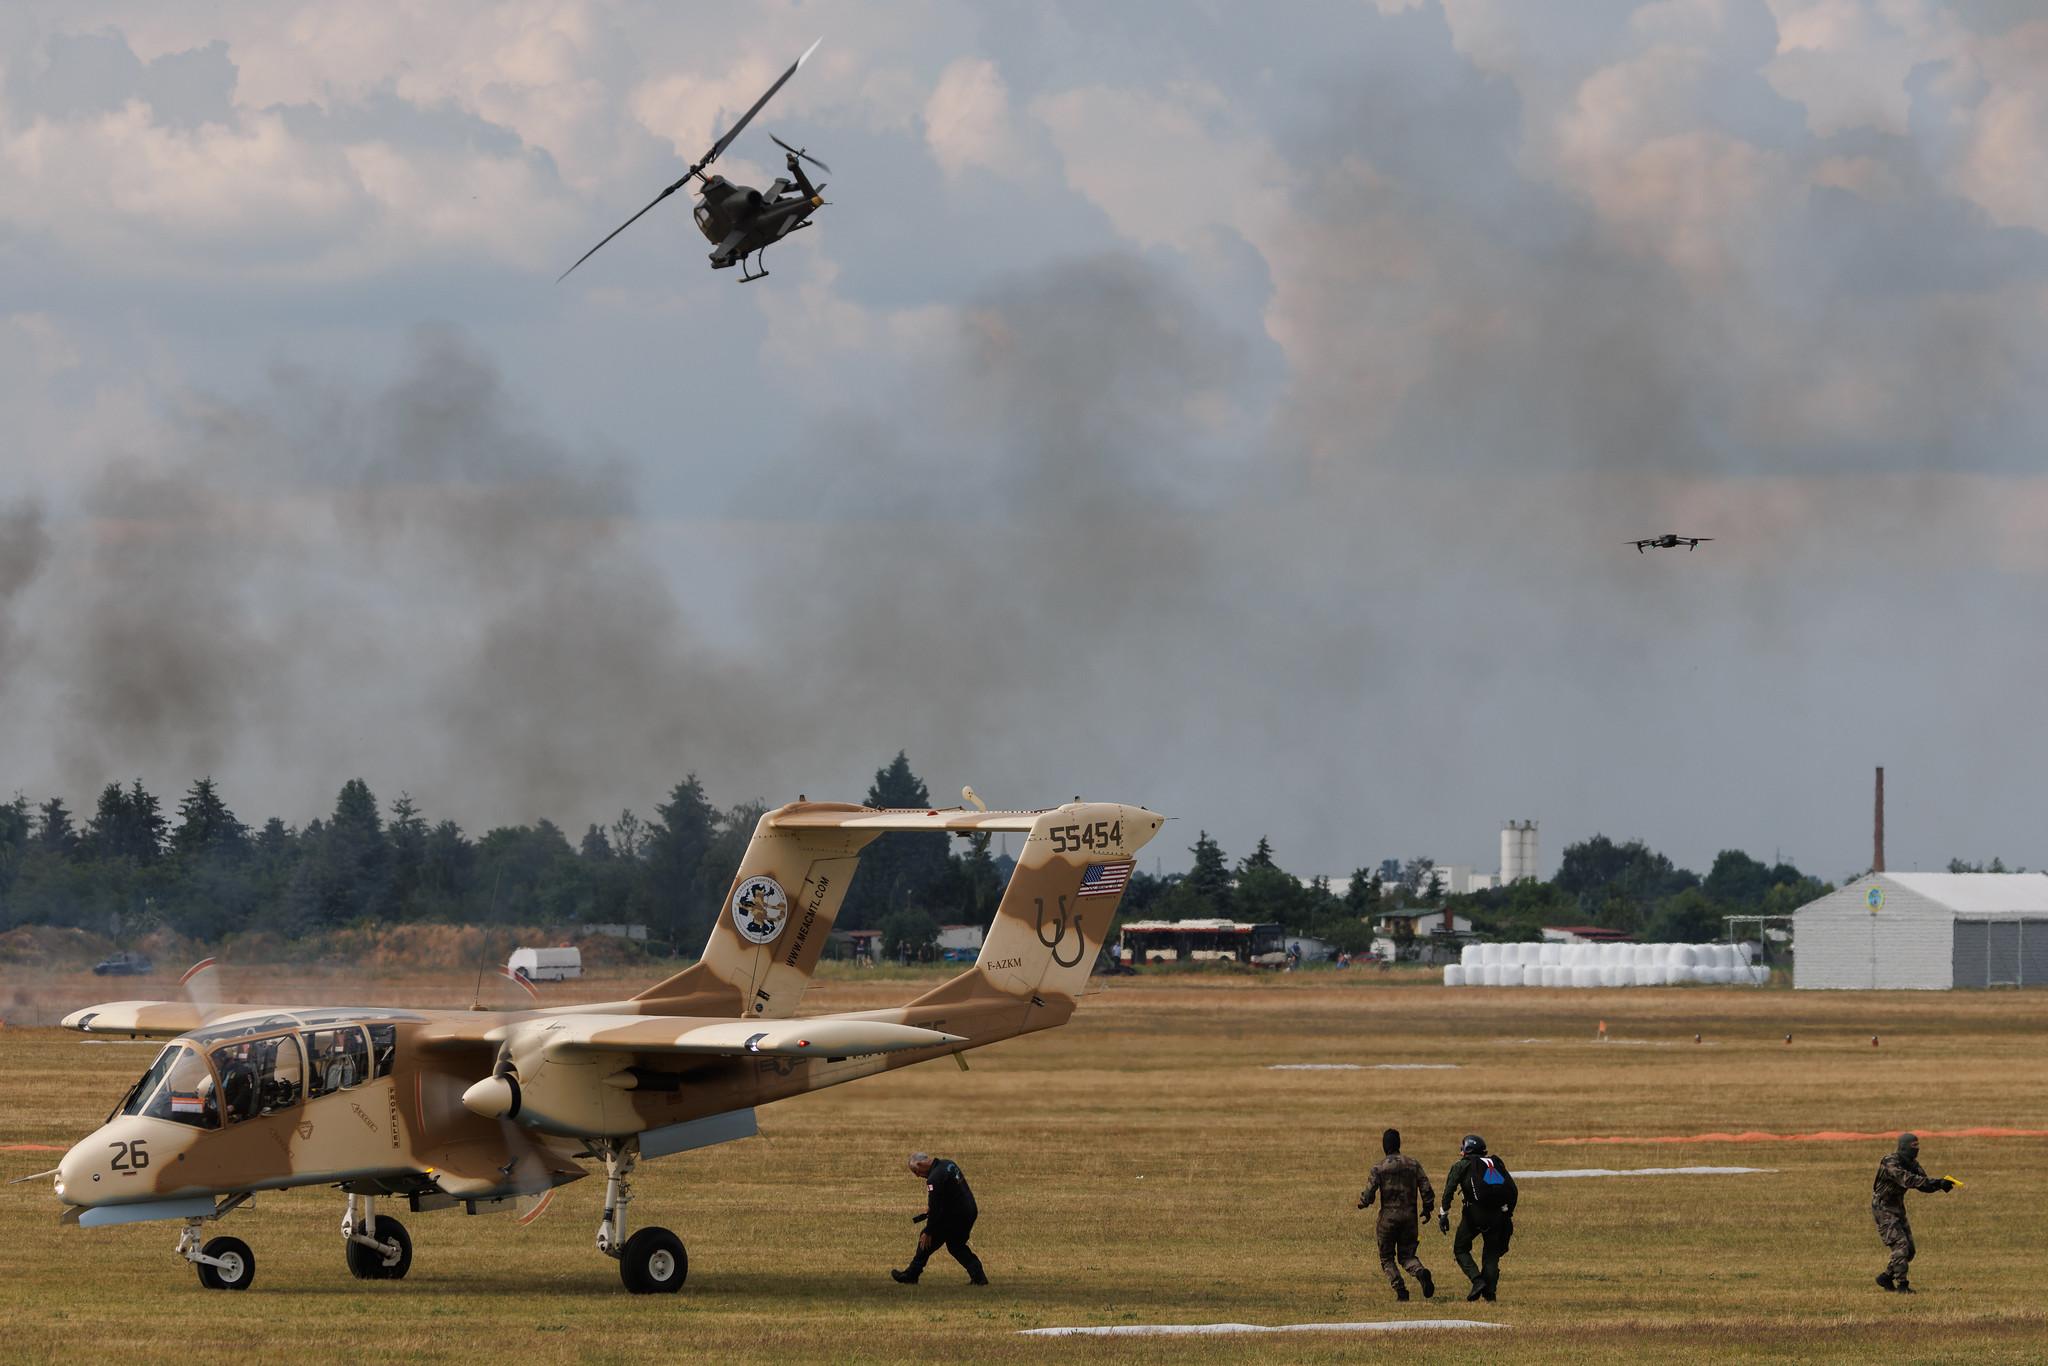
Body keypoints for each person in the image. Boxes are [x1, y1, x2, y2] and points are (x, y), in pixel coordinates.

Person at [1358, 1127, 1436, 1301]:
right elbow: (1426, 1187)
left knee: (1386, 1257)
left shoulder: (1379, 1168)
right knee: (1407, 1255)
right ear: (1399, 1144)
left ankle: (1401, 1290)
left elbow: (1369, 1193)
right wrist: (1428, 1207)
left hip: (1388, 1219)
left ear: (1384, 1146)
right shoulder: (1413, 1164)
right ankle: (1420, 1271)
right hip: (1410, 1218)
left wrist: (1363, 1203)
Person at [1872, 1132, 1952, 1293]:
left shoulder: (1912, 1163)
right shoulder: (1890, 1162)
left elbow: (1923, 1184)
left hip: (1898, 1208)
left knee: (1909, 1250)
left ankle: (1886, 1277)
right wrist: (1936, 1181)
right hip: (1883, 1208)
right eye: (1913, 1146)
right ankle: (1903, 1285)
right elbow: (1907, 1180)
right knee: (1900, 1246)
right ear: (1903, 1147)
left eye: (1918, 1146)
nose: (1917, 1149)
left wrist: (1940, 1185)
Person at [1441, 1133, 1517, 1302]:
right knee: (1491, 1254)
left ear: (1467, 1149)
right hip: (1499, 1216)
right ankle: (1490, 1294)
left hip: (1474, 1216)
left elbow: (1449, 1190)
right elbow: (1512, 1190)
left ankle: (1477, 1280)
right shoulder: (1495, 1163)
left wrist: (1443, 1214)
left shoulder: (1462, 1165)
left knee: (1460, 1248)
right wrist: (1507, 1213)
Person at [891, 1152, 987, 1285]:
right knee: (956, 1245)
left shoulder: (934, 1178)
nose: (917, 1175)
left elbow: (935, 1210)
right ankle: (979, 1277)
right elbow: (949, 1193)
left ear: (920, 1164)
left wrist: (929, 1231)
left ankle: (911, 1275)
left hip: (956, 1216)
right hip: (969, 1211)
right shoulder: (948, 1164)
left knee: (925, 1239)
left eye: (915, 1171)